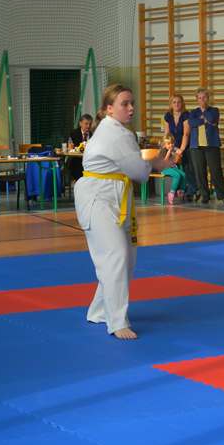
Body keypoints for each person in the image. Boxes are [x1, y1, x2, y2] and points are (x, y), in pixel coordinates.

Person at [74, 84, 172, 340]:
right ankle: (117, 321)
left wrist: (154, 162)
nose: (131, 108)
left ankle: (100, 311)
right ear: (109, 108)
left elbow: (135, 166)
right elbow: (139, 172)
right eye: (124, 104)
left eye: (132, 103)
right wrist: (158, 163)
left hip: (114, 195)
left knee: (124, 257)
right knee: (116, 255)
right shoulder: (116, 134)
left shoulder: (117, 131)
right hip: (98, 197)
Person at [188, 87, 224, 204]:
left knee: (216, 171)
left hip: (212, 145)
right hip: (196, 146)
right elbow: (192, 123)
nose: (202, 100)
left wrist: (204, 114)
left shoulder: (214, 110)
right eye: (199, 98)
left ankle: (222, 196)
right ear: (196, 99)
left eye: (204, 97)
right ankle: (205, 195)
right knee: (200, 172)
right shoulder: (193, 112)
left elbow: (212, 118)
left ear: (208, 98)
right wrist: (203, 120)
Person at [163, 95, 196, 201]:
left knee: (187, 169)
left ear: (182, 103)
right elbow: (167, 133)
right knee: (176, 169)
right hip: (172, 146)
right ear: (171, 104)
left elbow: (186, 134)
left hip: (185, 145)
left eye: (179, 102)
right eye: (174, 102)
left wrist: (181, 150)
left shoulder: (186, 115)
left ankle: (190, 192)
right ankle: (178, 190)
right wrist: (168, 146)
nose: (176, 104)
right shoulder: (168, 116)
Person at [159, 133, 187, 205]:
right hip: (163, 168)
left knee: (183, 174)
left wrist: (177, 155)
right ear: (164, 144)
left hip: (171, 167)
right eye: (168, 144)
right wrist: (169, 152)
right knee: (177, 175)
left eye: (172, 143)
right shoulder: (163, 150)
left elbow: (175, 161)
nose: (170, 145)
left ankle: (180, 191)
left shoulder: (173, 149)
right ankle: (171, 193)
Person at [67, 114, 93, 181]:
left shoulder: (93, 135)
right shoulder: (74, 133)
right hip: (77, 161)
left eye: (90, 124)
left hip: (89, 161)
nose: (88, 126)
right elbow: (70, 147)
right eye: (86, 124)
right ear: (80, 123)